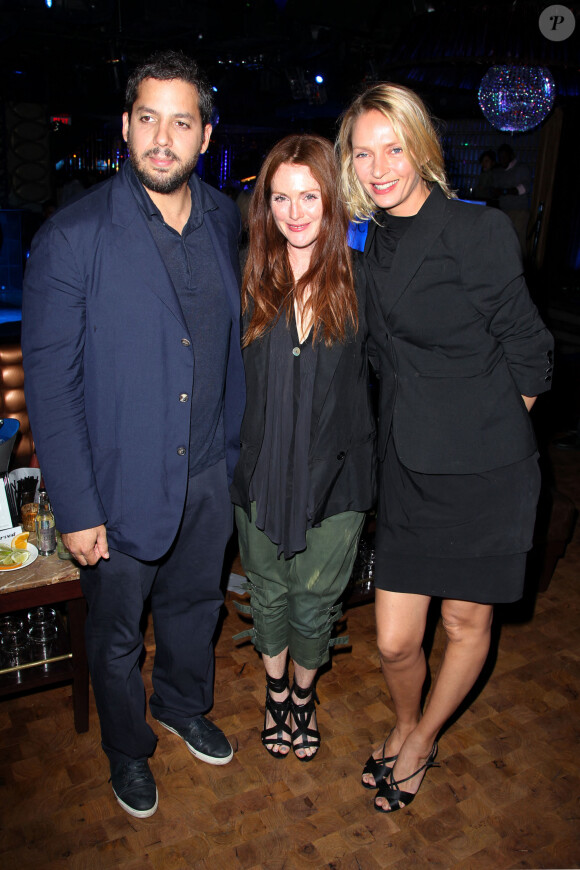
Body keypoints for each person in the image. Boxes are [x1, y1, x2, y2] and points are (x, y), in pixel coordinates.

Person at [21, 50, 245, 819]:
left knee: (195, 610)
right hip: (115, 493)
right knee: (116, 641)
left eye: (180, 121)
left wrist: (236, 460)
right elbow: (52, 390)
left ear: (204, 136)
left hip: (209, 476)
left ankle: (183, 706)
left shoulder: (226, 219)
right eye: (146, 118)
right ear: (124, 125)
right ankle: (128, 751)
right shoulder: (71, 238)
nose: (161, 136)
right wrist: (78, 510)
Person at [337, 83, 553, 812]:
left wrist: (487, 427)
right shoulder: (365, 236)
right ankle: (404, 718)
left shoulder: (475, 229)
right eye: (363, 153)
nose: (379, 166)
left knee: (466, 623)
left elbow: (531, 352)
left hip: (485, 471)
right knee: (396, 641)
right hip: (405, 467)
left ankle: (423, 738)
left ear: (421, 146)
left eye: (393, 147)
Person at [230, 134, 376, 761]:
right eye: (280, 197)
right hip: (259, 473)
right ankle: (273, 694)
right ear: (265, 204)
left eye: (309, 196)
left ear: (332, 201)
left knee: (315, 601)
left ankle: (302, 699)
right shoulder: (245, 280)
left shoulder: (365, 283)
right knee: (268, 593)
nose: (294, 212)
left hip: (338, 480)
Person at [491, 143, 532, 254]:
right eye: (500, 157)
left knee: (518, 241)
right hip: (504, 211)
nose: (502, 159)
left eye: (504, 156)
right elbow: (494, 190)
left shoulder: (521, 169)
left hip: (519, 211)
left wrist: (505, 191)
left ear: (511, 156)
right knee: (503, 241)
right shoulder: (498, 172)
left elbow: (525, 187)